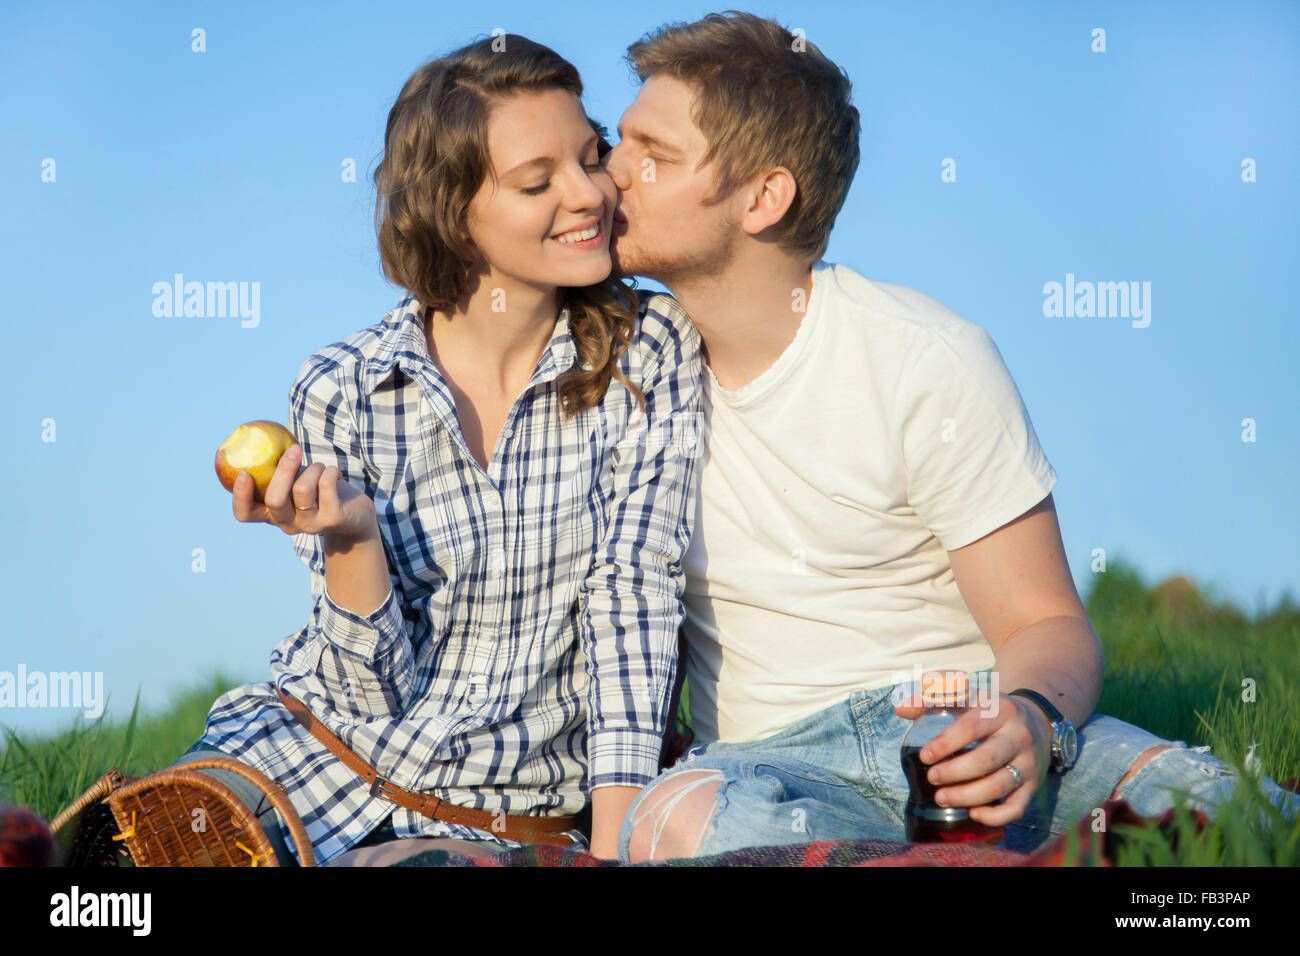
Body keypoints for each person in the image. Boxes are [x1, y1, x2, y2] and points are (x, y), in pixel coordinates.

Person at [601, 11, 1299, 861]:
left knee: (1228, 811)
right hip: (769, 767)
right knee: (677, 820)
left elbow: (1047, 621)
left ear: (763, 197)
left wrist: (1031, 724)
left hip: (961, 727)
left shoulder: (924, 358)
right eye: (619, 142)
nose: (611, 174)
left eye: (653, 155)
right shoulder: (614, 367)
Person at [175, 33, 702, 866]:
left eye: (591, 157)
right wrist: (350, 541)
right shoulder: (341, 387)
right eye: (538, 181)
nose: (589, 194)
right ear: (455, 217)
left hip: (500, 812)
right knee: (106, 873)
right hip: (311, 758)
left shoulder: (646, 351)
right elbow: (371, 695)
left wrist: (615, 846)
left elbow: (633, 601)